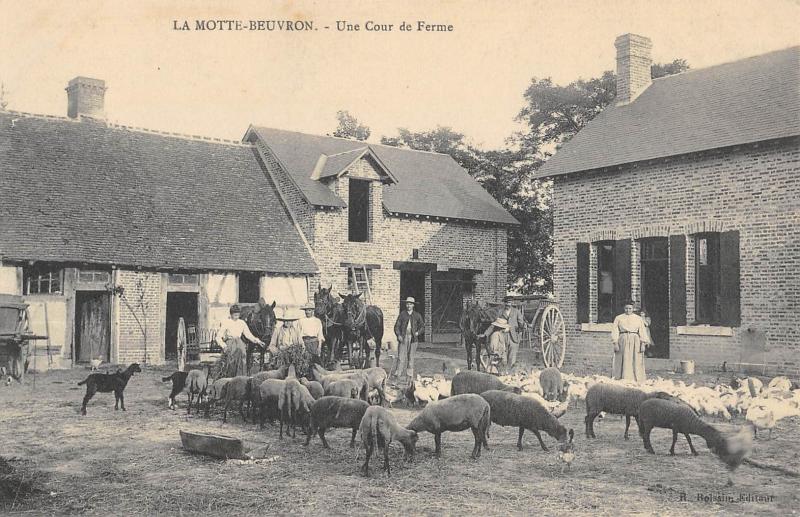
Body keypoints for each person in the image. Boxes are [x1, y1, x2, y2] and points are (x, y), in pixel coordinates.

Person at [213, 304, 265, 379]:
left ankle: (241, 379)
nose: (236, 317)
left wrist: (258, 341)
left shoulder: (242, 323)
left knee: (242, 360)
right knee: (231, 362)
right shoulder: (226, 322)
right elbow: (218, 337)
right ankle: (230, 379)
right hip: (230, 344)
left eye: (238, 315)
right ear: (231, 314)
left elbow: (248, 335)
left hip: (240, 344)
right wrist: (224, 346)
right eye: (235, 315)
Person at [611, 302, 651, 382]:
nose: (628, 310)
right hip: (623, 338)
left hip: (635, 339)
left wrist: (643, 344)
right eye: (626, 308)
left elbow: (642, 331)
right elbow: (614, 330)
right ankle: (620, 377)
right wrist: (615, 343)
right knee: (622, 357)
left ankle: (636, 378)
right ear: (624, 308)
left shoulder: (638, 318)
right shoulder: (619, 318)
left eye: (630, 308)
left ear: (633, 309)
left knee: (636, 358)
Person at [390, 297, 424, 386]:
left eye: (410, 304)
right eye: (407, 304)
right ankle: (397, 377)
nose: (408, 305)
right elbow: (396, 326)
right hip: (403, 338)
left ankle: (409, 379)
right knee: (401, 358)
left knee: (411, 358)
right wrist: (399, 335)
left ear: (413, 305)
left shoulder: (417, 315)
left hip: (413, 339)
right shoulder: (402, 314)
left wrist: (417, 333)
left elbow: (422, 327)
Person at [501, 298, 526, 370]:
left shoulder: (516, 312)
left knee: (512, 354)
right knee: (503, 353)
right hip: (503, 335)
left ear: (512, 303)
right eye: (506, 303)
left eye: (509, 303)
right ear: (504, 303)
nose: (508, 304)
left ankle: (510, 370)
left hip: (513, 336)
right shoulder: (500, 312)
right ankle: (504, 370)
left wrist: (519, 333)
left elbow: (521, 324)